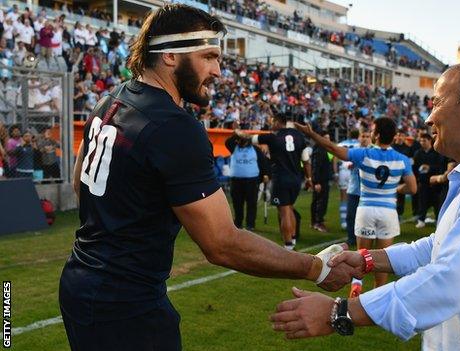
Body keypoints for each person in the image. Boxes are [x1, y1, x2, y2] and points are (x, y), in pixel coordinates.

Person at [59, 5, 359, 351]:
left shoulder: (112, 99)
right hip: (125, 304)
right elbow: (222, 244)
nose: (218, 71)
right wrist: (315, 268)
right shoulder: (174, 125)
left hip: (81, 281)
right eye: (209, 56)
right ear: (169, 54)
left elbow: (78, 181)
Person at [271, 60, 460, 351]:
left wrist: (338, 313)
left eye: (437, 102)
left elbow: (452, 279)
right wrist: (368, 260)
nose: (428, 118)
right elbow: (441, 246)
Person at [294, 117, 417, 297]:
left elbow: (332, 148)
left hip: (366, 209)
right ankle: (377, 297)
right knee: (384, 257)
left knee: (361, 255)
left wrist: (311, 134)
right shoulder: (402, 159)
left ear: (377, 134)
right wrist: (396, 188)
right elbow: (412, 188)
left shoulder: (364, 154)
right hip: (388, 212)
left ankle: (357, 286)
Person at [235, 104, 311, 250]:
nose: (271, 124)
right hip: (296, 178)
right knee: (290, 208)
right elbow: (306, 160)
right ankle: (293, 239)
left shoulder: (272, 136)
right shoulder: (299, 136)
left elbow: (248, 138)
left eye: (272, 121)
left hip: (281, 178)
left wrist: (237, 131)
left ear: (277, 122)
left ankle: (288, 244)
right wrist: (309, 179)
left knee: (284, 211)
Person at [225, 133, 269, 231]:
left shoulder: (255, 149)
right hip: (236, 181)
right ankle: (238, 223)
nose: (241, 142)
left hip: (252, 181)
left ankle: (250, 224)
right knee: (237, 203)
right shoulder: (234, 147)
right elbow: (228, 142)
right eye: (240, 140)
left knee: (251, 203)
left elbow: (263, 161)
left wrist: (266, 174)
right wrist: (236, 134)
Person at [344, 128, 372, 246]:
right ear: (359, 138)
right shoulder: (354, 151)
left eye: (367, 136)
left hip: (369, 191)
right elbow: (347, 164)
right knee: (351, 215)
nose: (364, 139)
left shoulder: (374, 152)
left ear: (370, 138)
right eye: (363, 136)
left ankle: (369, 238)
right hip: (354, 189)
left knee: (368, 218)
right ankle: (351, 238)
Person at [412, 133, 446, 228]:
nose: (422, 142)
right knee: (422, 202)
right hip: (423, 182)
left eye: (424, 140)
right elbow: (414, 168)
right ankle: (421, 220)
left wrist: (429, 168)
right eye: (421, 141)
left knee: (437, 203)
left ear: (429, 141)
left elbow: (440, 167)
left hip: (435, 183)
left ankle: (438, 220)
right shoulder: (417, 153)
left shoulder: (437, 153)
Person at [335, 130, 360, 230]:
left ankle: (344, 222)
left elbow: (335, 159)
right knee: (356, 197)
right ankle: (355, 222)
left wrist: (336, 172)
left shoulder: (341, 144)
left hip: (343, 171)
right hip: (354, 171)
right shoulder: (359, 144)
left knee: (343, 197)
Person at [391, 128, 419, 219]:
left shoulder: (408, 149)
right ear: (395, 136)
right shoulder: (390, 147)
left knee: (401, 196)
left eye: (401, 135)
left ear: (404, 137)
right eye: (398, 135)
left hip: (403, 175)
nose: (399, 137)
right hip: (391, 174)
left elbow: (411, 161)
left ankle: (399, 214)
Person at [310, 130, 333, 232]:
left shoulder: (322, 149)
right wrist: (316, 182)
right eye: (326, 138)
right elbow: (315, 167)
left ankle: (315, 221)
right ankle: (318, 222)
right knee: (320, 201)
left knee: (318, 201)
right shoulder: (319, 150)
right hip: (321, 181)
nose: (328, 140)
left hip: (322, 179)